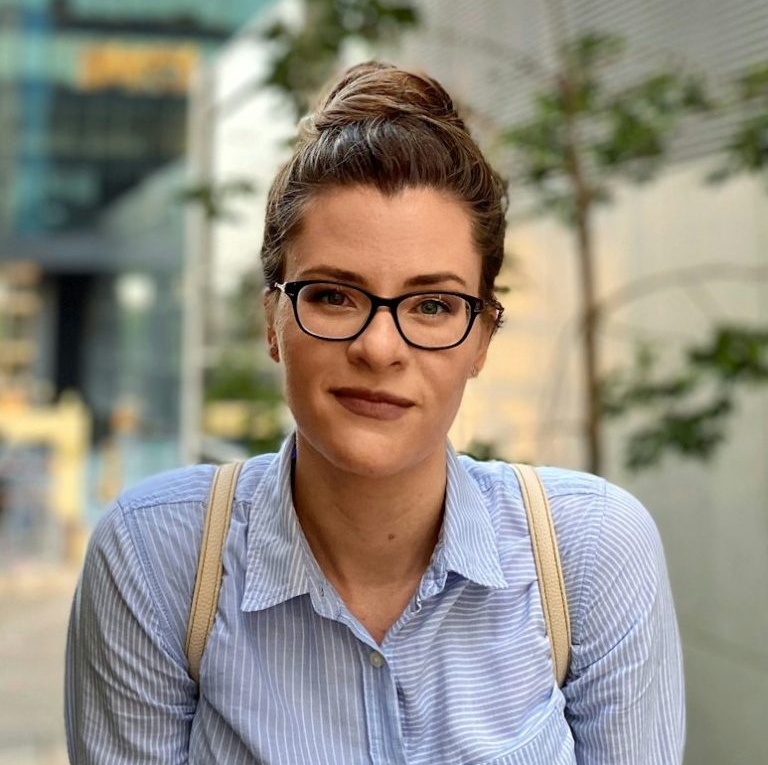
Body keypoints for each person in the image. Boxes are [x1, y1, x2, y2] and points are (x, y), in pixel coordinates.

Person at [65, 61, 685, 764]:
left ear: (481, 338)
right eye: (334, 294)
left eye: (432, 305)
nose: (379, 347)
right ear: (272, 319)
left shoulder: (592, 552)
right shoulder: (156, 557)